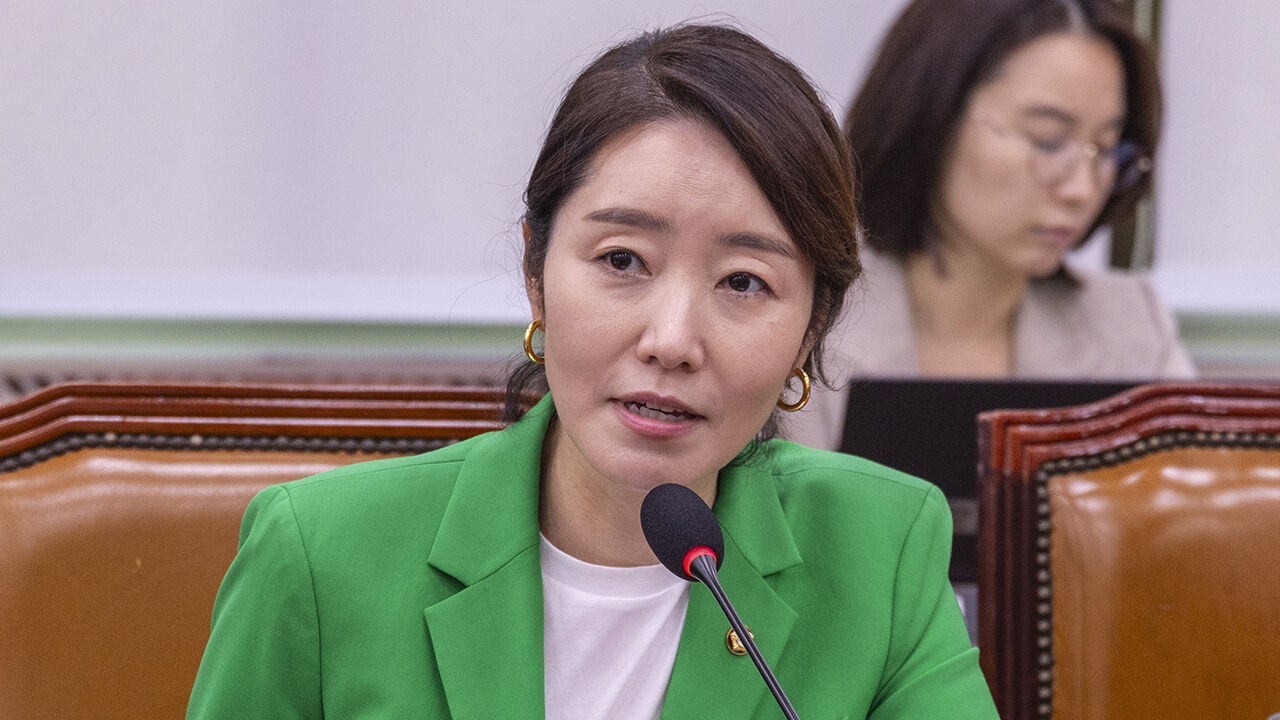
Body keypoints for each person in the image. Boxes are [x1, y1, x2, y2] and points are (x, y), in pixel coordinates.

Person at [186, 24, 998, 719]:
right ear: (537, 272)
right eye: (622, 260)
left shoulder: (880, 550)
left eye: (744, 282)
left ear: (811, 326)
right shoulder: (320, 556)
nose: (672, 341)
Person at [787, 0, 1196, 452]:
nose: (1082, 190)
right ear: (932, 115)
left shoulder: (1130, 326)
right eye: (1047, 140)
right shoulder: (802, 312)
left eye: (1105, 148)